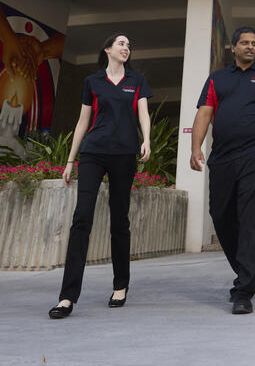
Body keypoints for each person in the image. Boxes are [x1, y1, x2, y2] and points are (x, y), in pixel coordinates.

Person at [190, 27, 255, 314]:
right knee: (220, 214)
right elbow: (204, 111)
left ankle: (244, 290)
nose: (250, 47)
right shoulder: (217, 79)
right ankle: (245, 269)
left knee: (250, 215)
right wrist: (196, 147)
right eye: (245, 43)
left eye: (254, 43)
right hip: (223, 156)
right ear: (233, 47)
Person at [49, 34, 152, 319]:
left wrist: (147, 139)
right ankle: (67, 297)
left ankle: (121, 285)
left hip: (124, 154)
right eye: (121, 43)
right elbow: (83, 121)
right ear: (107, 49)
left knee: (119, 219)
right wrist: (70, 159)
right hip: (93, 153)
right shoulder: (92, 82)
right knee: (82, 218)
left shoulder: (137, 81)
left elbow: (143, 113)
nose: (126, 48)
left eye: (129, 45)